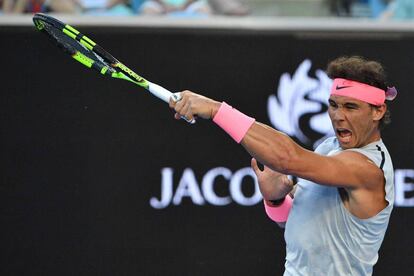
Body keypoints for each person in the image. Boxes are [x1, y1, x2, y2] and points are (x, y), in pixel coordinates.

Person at [169, 56, 397, 275]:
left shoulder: (369, 167)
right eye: (333, 105)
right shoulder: (329, 147)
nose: (338, 115)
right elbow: (297, 223)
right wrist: (276, 200)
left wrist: (216, 109)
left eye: (350, 107)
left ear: (378, 111)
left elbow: (287, 159)